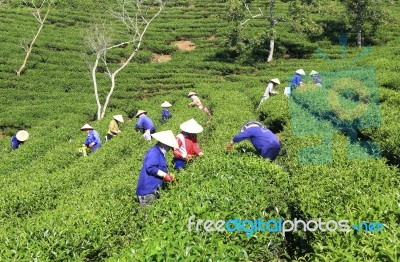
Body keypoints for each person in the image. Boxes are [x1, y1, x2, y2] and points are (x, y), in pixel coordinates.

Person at [136, 130, 179, 207]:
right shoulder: (154, 152)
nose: (169, 149)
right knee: (148, 215)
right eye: (169, 146)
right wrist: (165, 175)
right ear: (164, 144)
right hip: (148, 191)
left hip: (153, 190)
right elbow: (150, 167)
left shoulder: (160, 153)